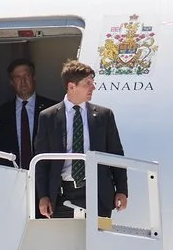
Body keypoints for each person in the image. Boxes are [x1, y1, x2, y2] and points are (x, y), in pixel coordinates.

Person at [36, 60, 128, 220]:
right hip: (62, 196)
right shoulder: (48, 117)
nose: (93, 87)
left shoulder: (104, 115)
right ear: (72, 86)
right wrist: (43, 196)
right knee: (66, 244)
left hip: (98, 194)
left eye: (93, 83)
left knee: (99, 243)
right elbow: (42, 160)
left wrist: (121, 190)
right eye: (88, 83)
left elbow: (116, 154)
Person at [1, 60, 45, 170]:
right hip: (11, 175)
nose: (23, 81)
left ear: (34, 77)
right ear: (11, 82)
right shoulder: (0, 113)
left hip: (43, 177)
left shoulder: (52, 109)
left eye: (27, 76)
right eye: (18, 77)